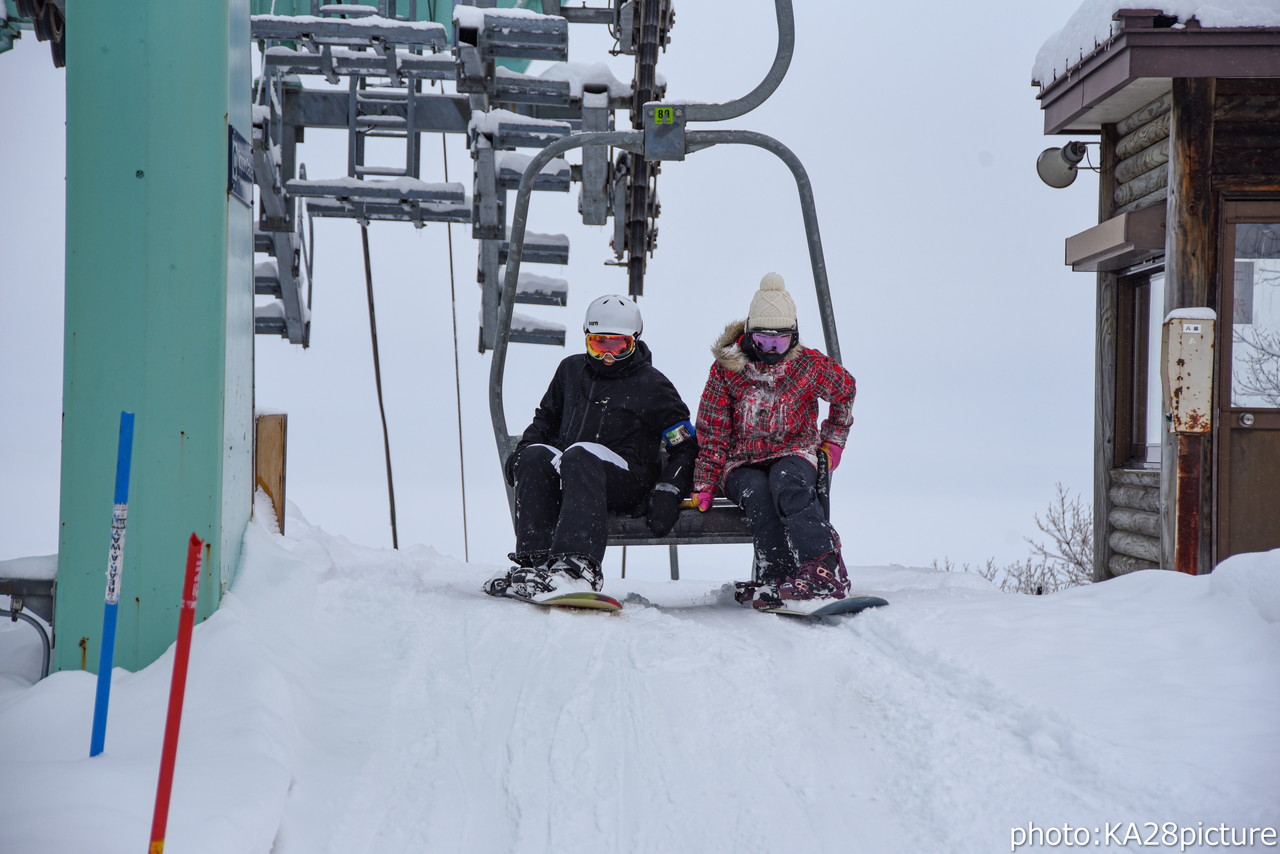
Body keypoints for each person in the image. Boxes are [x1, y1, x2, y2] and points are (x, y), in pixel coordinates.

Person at [485, 294, 698, 601]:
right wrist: (525, 448)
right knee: (534, 455)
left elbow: (685, 446)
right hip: (574, 475)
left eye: (618, 346)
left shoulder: (652, 386)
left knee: (580, 454)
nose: (607, 356)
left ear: (635, 340)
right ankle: (537, 562)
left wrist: (668, 488)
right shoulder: (570, 372)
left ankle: (578, 567)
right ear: (586, 337)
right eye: (599, 345)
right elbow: (545, 421)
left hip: (627, 481)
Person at [690, 272, 857, 609]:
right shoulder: (727, 370)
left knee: (787, 481)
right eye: (762, 342)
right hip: (741, 460)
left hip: (793, 451)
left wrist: (833, 440)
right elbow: (712, 431)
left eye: (779, 343)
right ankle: (776, 575)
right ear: (748, 335)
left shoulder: (809, 366)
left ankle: (824, 567)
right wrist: (705, 482)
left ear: (793, 338)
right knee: (757, 493)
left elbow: (846, 390)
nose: (770, 351)